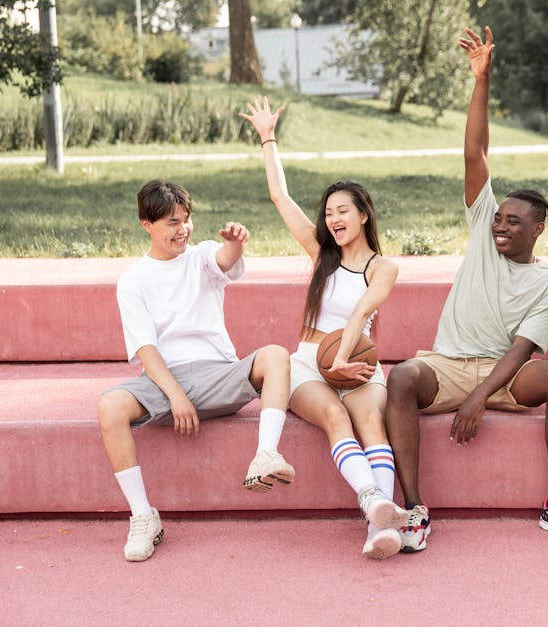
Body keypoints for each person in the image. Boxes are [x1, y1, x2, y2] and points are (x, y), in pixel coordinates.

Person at [384, 26, 548, 552]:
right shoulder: (482, 231)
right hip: (449, 363)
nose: (501, 226)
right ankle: (413, 509)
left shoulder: (547, 281)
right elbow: (475, 152)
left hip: (506, 375)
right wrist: (482, 78)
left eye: (514, 222)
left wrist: (480, 396)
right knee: (403, 376)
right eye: (499, 218)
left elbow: (524, 350)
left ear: (538, 228)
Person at [240, 98, 408, 560]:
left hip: (354, 363)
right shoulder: (321, 255)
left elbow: (358, 317)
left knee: (371, 418)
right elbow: (280, 197)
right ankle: (374, 502)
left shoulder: (383, 267)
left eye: (343, 211)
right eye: (329, 212)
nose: (333, 219)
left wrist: (341, 360)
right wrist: (268, 137)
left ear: (364, 215)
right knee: (336, 418)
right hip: (309, 364)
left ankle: (379, 531)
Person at [98, 180, 295, 562]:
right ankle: (143, 516)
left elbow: (225, 259)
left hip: (217, 374)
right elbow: (146, 349)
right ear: (146, 224)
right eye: (172, 222)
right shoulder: (133, 280)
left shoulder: (201, 256)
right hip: (163, 378)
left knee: (275, 354)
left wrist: (236, 241)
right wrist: (175, 396)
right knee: (110, 407)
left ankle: (266, 455)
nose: (182, 229)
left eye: (186, 220)